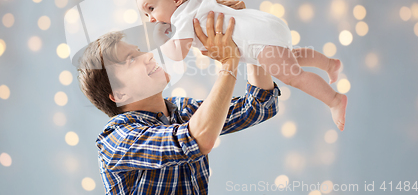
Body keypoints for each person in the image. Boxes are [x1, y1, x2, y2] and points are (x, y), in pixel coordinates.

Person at [77, 12, 280, 194]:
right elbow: (195, 139)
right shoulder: (116, 138)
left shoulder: (181, 110)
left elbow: (257, 108)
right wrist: (229, 64)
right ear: (119, 94)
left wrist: (250, 41)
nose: (148, 55)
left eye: (139, 51)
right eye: (130, 59)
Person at [136, 0, 347, 131]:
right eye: (147, 16)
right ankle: (330, 63)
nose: (151, 19)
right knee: (290, 58)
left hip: (256, 40)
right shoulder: (197, 4)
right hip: (263, 27)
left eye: (151, 9)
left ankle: (334, 99)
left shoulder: (181, 17)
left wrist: (162, 40)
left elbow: (177, 53)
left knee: (292, 76)